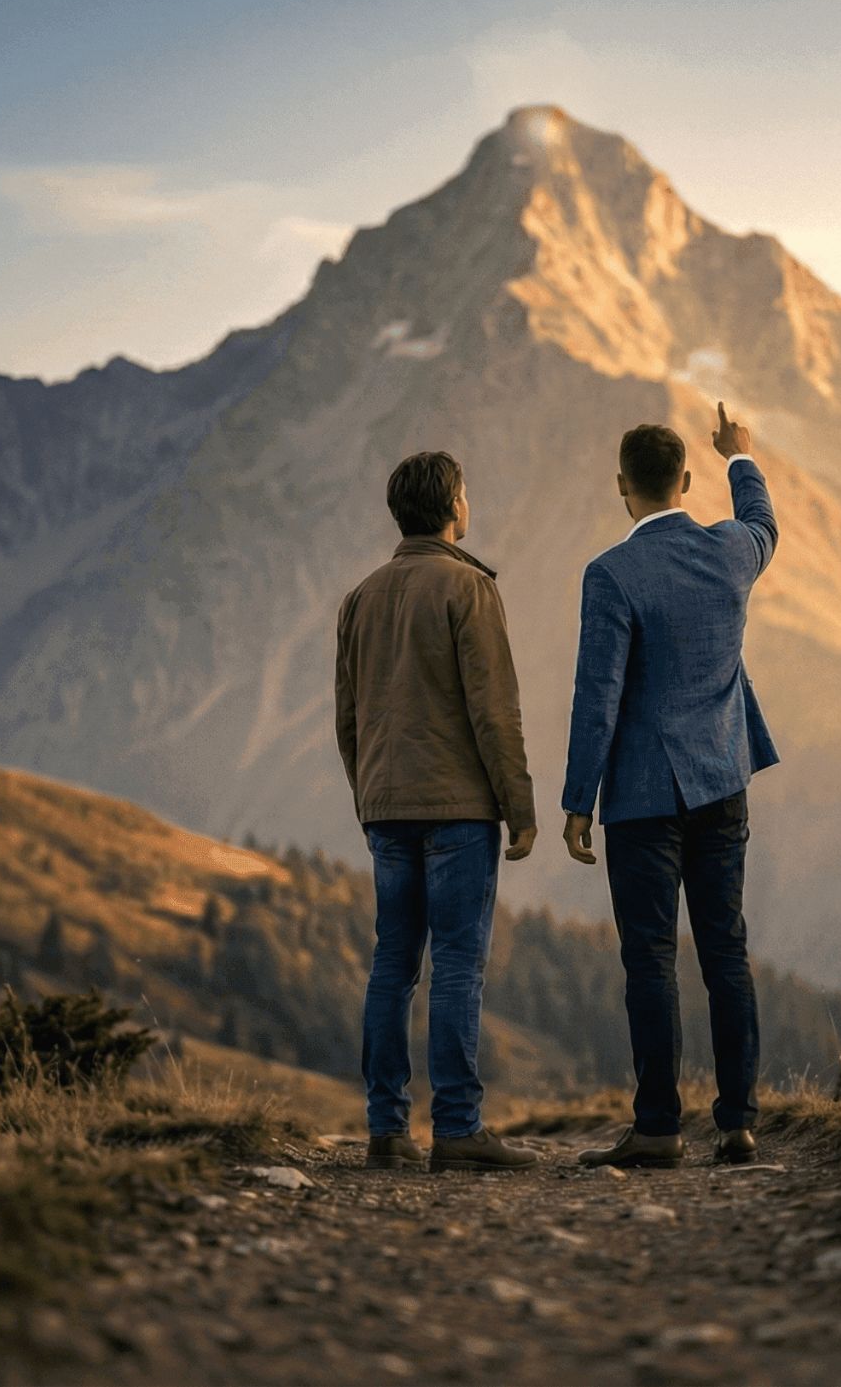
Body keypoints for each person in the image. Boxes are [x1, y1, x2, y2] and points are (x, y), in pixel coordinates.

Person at [561, 404, 778, 1168]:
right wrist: (739, 456)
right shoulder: (730, 552)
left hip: (644, 798)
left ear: (622, 486)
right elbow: (762, 521)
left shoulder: (611, 573)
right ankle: (739, 1121)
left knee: (649, 958)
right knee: (727, 951)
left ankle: (657, 1127)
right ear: (685, 481)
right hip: (723, 781)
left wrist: (576, 800)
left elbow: (599, 694)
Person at [334, 451, 541, 1173]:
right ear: (455, 504)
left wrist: (370, 795)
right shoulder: (468, 588)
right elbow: (495, 713)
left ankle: (386, 1130)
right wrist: (520, 808)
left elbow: (348, 719)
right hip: (457, 808)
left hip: (387, 807)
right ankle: (457, 1128)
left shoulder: (360, 597)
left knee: (392, 963)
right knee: (457, 963)